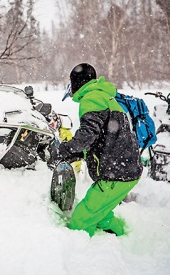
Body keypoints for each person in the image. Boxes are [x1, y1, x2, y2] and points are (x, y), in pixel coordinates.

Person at [59, 63, 142, 236]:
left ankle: (79, 252)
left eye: (71, 81)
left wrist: (66, 149)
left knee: (81, 220)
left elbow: (88, 134)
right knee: (102, 216)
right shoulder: (103, 96)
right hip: (125, 169)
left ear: (77, 82)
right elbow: (103, 137)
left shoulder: (92, 97)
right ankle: (127, 237)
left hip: (117, 173)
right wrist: (79, 152)